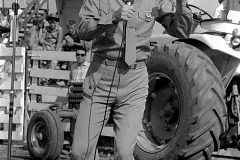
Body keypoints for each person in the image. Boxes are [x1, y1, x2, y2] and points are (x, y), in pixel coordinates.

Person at [71, 0, 193, 160]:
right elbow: (82, 30)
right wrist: (112, 18)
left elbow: (182, 31)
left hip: (134, 81)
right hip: (100, 78)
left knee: (124, 153)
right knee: (80, 153)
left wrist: (181, 3)